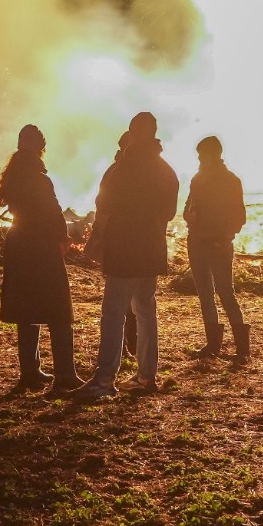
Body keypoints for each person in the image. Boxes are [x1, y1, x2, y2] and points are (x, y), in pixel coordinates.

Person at [78, 113, 180, 399]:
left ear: (133, 133)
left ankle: (104, 379)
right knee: (145, 311)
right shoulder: (165, 170)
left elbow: (104, 205)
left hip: (123, 250)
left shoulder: (122, 168)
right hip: (150, 251)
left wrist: (99, 239)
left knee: (113, 314)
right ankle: (147, 375)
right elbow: (170, 212)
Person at [0, 126, 82, 391]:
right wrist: (63, 238)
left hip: (19, 244)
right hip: (41, 248)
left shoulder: (12, 176)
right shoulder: (39, 178)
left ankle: (30, 373)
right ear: (40, 148)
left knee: (26, 310)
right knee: (58, 312)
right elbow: (53, 213)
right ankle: (65, 375)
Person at [184, 136, 250, 362]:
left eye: (203, 154)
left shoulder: (230, 181)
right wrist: (189, 216)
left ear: (215, 154)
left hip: (218, 245)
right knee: (205, 295)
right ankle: (214, 345)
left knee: (225, 293)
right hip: (197, 242)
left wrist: (224, 238)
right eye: (199, 155)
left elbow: (240, 216)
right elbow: (187, 209)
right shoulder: (197, 180)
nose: (200, 159)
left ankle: (242, 349)